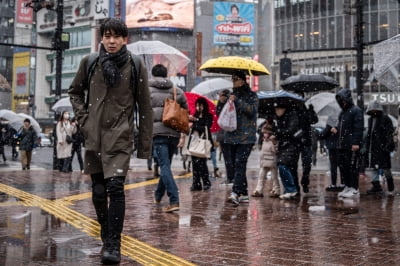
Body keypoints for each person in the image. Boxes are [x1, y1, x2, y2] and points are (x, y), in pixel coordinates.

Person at [68, 18, 153, 264]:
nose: (112, 41)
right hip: (94, 136)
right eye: (107, 36)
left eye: (117, 36)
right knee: (98, 190)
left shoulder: (135, 65)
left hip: (120, 136)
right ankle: (106, 231)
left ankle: (113, 243)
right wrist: (84, 120)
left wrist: (145, 146)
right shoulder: (90, 62)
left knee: (115, 188)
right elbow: (74, 92)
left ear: (125, 39)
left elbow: (144, 106)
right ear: (101, 38)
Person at [149, 63, 188, 212]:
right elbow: (185, 111)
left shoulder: (147, 91)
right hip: (173, 133)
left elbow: (143, 112)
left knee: (164, 166)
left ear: (153, 75)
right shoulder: (176, 90)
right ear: (166, 75)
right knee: (166, 166)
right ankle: (158, 194)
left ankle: (174, 199)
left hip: (158, 133)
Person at [224, 70, 258, 206]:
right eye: (232, 79)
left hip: (246, 136)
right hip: (232, 135)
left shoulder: (252, 96)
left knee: (239, 162)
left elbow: (251, 111)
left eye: (236, 79)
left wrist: (237, 101)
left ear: (243, 81)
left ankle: (236, 192)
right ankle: (243, 193)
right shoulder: (231, 96)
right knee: (236, 165)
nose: (234, 81)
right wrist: (226, 102)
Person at [333, 88, 364, 198]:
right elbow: (342, 127)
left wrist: (355, 143)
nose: (342, 102)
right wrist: (336, 130)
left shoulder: (356, 111)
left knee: (352, 167)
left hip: (351, 145)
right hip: (342, 145)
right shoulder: (343, 112)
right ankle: (348, 186)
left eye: (343, 100)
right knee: (344, 166)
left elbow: (358, 128)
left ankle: (354, 188)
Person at [364, 100, 395, 196]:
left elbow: (389, 133)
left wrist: (388, 146)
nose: (374, 111)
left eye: (375, 109)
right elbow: (370, 134)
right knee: (373, 168)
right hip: (373, 148)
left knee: (386, 168)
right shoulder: (370, 120)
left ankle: (391, 188)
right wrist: (367, 145)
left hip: (383, 148)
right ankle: (376, 186)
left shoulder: (385, 119)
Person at [273, 103, 301, 200]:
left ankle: (291, 189)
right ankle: (290, 190)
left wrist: (278, 132)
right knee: (289, 168)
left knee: (282, 165)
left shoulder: (292, 115)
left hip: (292, 145)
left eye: (278, 108)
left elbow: (290, 130)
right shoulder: (279, 119)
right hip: (285, 145)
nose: (277, 111)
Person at [293, 98, 318, 194]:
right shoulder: (293, 110)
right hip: (295, 141)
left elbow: (314, 120)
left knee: (307, 164)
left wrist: (311, 111)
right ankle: (296, 186)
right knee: (293, 165)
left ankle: (305, 181)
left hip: (306, 140)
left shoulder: (306, 110)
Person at [189, 97, 213, 191]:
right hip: (194, 142)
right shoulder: (195, 115)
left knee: (202, 164)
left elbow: (206, 127)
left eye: (200, 105)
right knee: (194, 164)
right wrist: (192, 120)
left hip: (203, 142)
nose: (198, 107)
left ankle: (206, 182)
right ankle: (196, 183)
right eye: (197, 105)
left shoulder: (208, 116)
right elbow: (192, 127)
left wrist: (196, 121)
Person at [251, 122, 279, 198]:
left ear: (270, 133)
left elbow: (276, 151)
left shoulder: (273, 140)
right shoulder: (264, 141)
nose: (264, 134)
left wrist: (274, 144)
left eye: (266, 133)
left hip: (272, 162)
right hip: (264, 163)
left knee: (274, 178)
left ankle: (276, 190)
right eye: (264, 133)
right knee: (261, 177)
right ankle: (258, 190)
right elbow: (262, 152)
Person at [319, 115, 344, 191]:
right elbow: (322, 135)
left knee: (336, 166)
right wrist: (330, 130)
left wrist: (336, 130)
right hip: (336, 147)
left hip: (336, 147)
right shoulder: (341, 121)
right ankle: (339, 184)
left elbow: (322, 135)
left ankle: (335, 184)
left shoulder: (339, 124)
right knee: (338, 166)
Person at [216, 89, 233, 184]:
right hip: (223, 135)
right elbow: (218, 114)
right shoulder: (220, 104)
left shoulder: (231, 104)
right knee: (226, 158)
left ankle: (231, 177)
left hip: (230, 134)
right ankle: (230, 177)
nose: (220, 97)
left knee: (230, 158)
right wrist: (220, 102)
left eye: (221, 95)